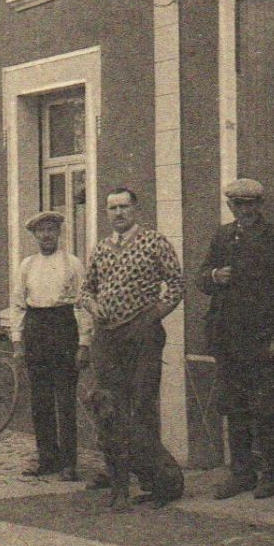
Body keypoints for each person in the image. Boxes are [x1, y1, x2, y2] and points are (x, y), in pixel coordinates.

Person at [80, 186, 186, 506]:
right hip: (108, 337)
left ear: (135, 210)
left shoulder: (154, 241)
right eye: (112, 208)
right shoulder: (100, 249)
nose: (119, 214)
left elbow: (176, 285)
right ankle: (121, 483)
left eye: (124, 207)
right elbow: (86, 291)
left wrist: (153, 316)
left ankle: (159, 484)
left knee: (142, 406)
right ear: (106, 213)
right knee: (110, 409)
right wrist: (93, 305)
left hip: (142, 335)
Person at [196, 178, 274, 500]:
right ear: (230, 207)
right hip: (228, 336)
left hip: (261, 337)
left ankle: (271, 474)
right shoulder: (223, 236)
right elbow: (201, 277)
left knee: (265, 407)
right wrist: (215, 276)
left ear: (260, 206)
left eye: (251, 204)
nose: (245, 211)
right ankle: (241, 473)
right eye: (238, 205)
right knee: (233, 405)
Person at [10, 210, 90, 481]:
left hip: (63, 328)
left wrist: (84, 343)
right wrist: (18, 343)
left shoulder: (73, 264)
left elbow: (82, 306)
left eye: (51, 230)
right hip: (36, 329)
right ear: (34, 235)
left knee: (65, 400)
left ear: (59, 233)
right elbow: (19, 306)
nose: (46, 235)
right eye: (41, 231)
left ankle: (69, 463)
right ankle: (47, 458)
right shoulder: (27, 266)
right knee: (40, 400)